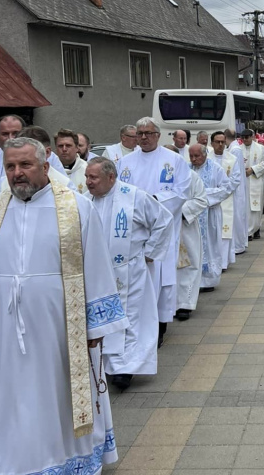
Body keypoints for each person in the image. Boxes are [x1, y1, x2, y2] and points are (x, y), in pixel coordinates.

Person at [0, 137, 128, 475]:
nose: (17, 173)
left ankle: (63, 461)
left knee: (55, 395)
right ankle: (13, 463)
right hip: (6, 327)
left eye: (25, 165)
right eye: (10, 166)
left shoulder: (76, 207)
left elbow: (96, 265)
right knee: (11, 397)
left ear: (45, 166)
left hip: (59, 326)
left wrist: (96, 327)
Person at [85, 157, 172, 391]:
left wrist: (151, 252)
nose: (88, 182)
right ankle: (105, 363)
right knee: (102, 316)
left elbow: (163, 220)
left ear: (111, 177)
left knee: (130, 317)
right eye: (86, 177)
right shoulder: (85, 201)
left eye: (93, 177)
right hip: (96, 271)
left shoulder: (134, 196)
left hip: (129, 270)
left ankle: (125, 368)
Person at [116, 118, 190, 347]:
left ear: (158, 135)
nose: (144, 137)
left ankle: (159, 326)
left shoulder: (174, 160)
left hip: (162, 230)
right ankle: (134, 325)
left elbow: (181, 191)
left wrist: (153, 202)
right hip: (133, 231)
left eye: (149, 133)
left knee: (161, 277)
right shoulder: (125, 162)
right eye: (140, 133)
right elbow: (118, 191)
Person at [173, 146, 208, 321]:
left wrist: (177, 211)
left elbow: (201, 200)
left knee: (186, 265)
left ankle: (184, 304)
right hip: (158, 229)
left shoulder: (190, 177)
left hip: (184, 227)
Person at [189, 144, 230, 294]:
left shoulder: (216, 168)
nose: (193, 159)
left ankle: (209, 279)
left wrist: (201, 196)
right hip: (192, 216)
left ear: (205, 155)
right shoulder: (187, 169)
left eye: (197, 156)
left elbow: (226, 188)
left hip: (210, 214)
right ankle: (194, 279)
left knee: (211, 245)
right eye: (191, 156)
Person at [209, 132, 243, 270]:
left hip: (226, 199)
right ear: (212, 143)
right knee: (211, 232)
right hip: (209, 201)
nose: (220, 144)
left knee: (225, 231)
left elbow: (235, 179)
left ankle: (222, 263)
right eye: (217, 142)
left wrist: (222, 192)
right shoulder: (206, 158)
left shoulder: (232, 159)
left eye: (223, 142)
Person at [239, 129, 264, 240]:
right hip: (243, 182)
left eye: (247, 137)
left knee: (256, 207)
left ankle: (256, 228)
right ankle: (247, 231)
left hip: (256, 180)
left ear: (252, 137)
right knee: (245, 207)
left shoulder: (260, 148)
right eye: (243, 137)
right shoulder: (237, 149)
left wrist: (252, 169)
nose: (245, 139)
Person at [225, 129, 249, 255]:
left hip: (236, 187)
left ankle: (238, 244)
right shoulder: (233, 148)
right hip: (235, 186)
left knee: (237, 216)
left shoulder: (235, 150)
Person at [56, 129, 88, 194]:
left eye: (68, 145)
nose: (64, 149)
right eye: (60, 146)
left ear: (77, 148)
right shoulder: (49, 171)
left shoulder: (87, 169)